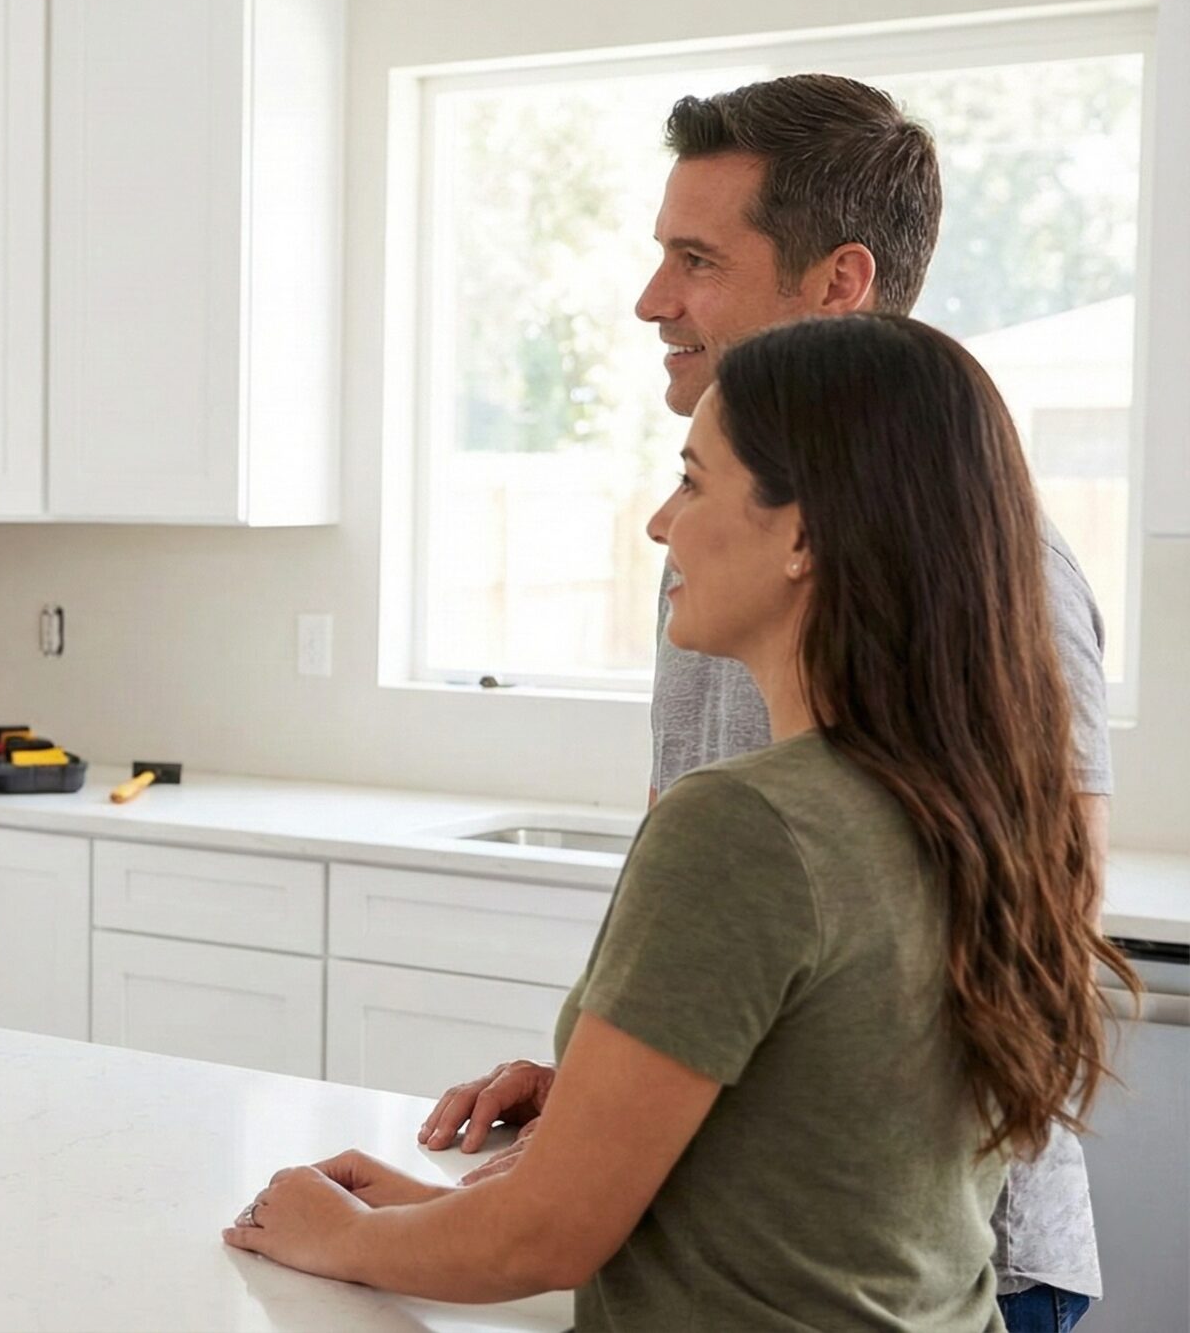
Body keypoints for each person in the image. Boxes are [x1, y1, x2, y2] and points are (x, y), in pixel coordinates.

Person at [226, 314, 1136, 1330]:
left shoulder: (748, 824)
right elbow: (816, 1193)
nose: (661, 524)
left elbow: (547, 1239)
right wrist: (448, 1213)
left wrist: (335, 1233)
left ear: (802, 534)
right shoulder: (967, 805)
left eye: (694, 481)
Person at [416, 74, 1115, 1332]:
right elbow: (692, 932)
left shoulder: (999, 574)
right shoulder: (722, 552)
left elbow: (1034, 943)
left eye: (696, 259)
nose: (651, 301)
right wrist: (600, 1094)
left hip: (950, 1264)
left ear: (838, 282)